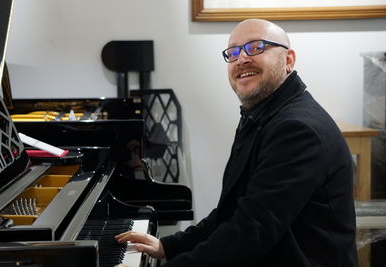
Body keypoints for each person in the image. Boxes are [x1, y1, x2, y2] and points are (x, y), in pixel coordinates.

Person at [115, 18, 358, 267]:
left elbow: (248, 234)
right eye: (233, 52)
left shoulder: (297, 129)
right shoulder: (263, 115)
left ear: (288, 60)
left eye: (256, 47)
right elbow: (232, 212)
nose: (242, 59)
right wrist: (169, 245)